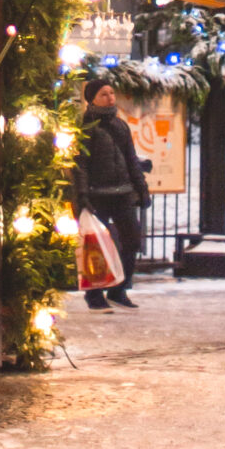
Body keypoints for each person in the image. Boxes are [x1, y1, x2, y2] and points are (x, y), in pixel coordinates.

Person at [73, 74, 148, 310]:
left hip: (123, 192)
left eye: (111, 93)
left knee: (132, 240)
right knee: (95, 246)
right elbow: (81, 164)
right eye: (103, 94)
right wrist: (83, 194)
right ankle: (94, 294)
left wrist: (141, 189)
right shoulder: (86, 127)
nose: (110, 98)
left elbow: (131, 160)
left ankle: (119, 289)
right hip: (98, 195)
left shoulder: (120, 125)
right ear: (92, 100)